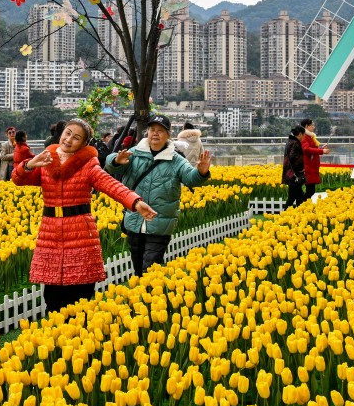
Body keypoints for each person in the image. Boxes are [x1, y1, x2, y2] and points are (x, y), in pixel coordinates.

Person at [13, 118, 156, 314]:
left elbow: (111, 184)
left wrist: (136, 202)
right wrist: (29, 164)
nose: (69, 139)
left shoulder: (88, 165)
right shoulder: (46, 159)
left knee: (80, 294)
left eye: (76, 137)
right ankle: (56, 339)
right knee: (52, 296)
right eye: (68, 133)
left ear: (83, 144)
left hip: (80, 232)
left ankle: (80, 338)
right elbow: (17, 179)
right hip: (51, 233)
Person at [106, 114, 211, 276]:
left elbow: (190, 178)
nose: (155, 133)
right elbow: (111, 164)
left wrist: (201, 173)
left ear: (168, 135)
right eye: (152, 129)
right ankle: (143, 297)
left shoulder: (176, 160)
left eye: (160, 131)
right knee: (138, 268)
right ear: (147, 132)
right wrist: (116, 161)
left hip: (160, 223)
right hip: (134, 221)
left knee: (150, 268)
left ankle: (151, 297)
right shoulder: (135, 153)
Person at [300, 117, 330, 202]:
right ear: (306, 126)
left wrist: (321, 148)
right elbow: (306, 149)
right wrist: (322, 151)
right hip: (308, 166)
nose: (313, 127)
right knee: (310, 191)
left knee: (310, 190)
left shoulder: (310, 136)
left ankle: (303, 206)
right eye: (312, 125)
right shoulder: (305, 137)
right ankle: (301, 206)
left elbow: (311, 148)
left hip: (311, 165)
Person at [282, 125, 307, 208]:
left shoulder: (289, 141)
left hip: (289, 173)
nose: (303, 137)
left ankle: (300, 214)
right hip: (294, 175)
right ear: (300, 134)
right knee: (292, 197)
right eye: (303, 135)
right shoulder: (296, 143)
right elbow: (294, 158)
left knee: (299, 196)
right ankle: (284, 214)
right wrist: (300, 169)